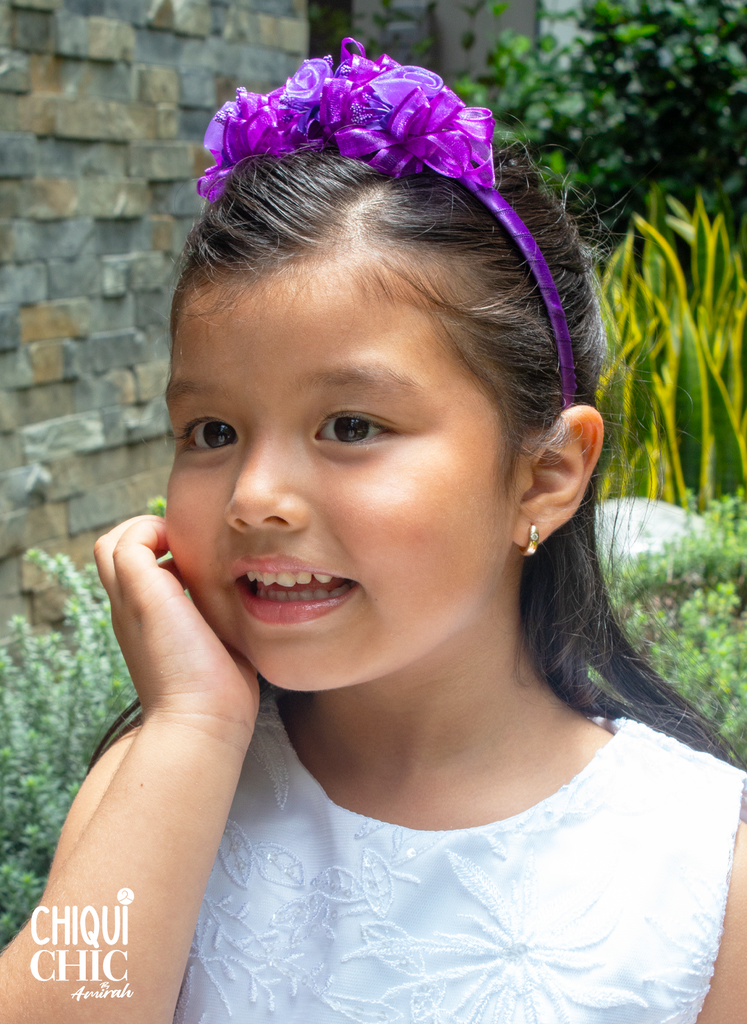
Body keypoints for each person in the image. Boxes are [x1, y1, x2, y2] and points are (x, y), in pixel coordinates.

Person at [1, 38, 746, 1024]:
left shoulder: (701, 863)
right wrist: (192, 726)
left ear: (546, 473)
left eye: (350, 426)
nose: (256, 496)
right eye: (212, 431)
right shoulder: (162, 781)